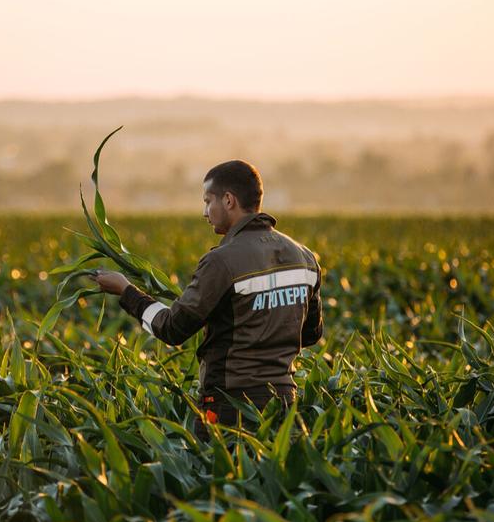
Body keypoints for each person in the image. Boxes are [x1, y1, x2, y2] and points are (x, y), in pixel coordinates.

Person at [91, 160, 322, 439]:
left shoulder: (221, 262)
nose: (204, 212)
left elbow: (172, 329)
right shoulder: (304, 257)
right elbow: (310, 334)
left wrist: (126, 291)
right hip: (285, 407)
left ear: (228, 200)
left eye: (207, 201)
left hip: (230, 409)